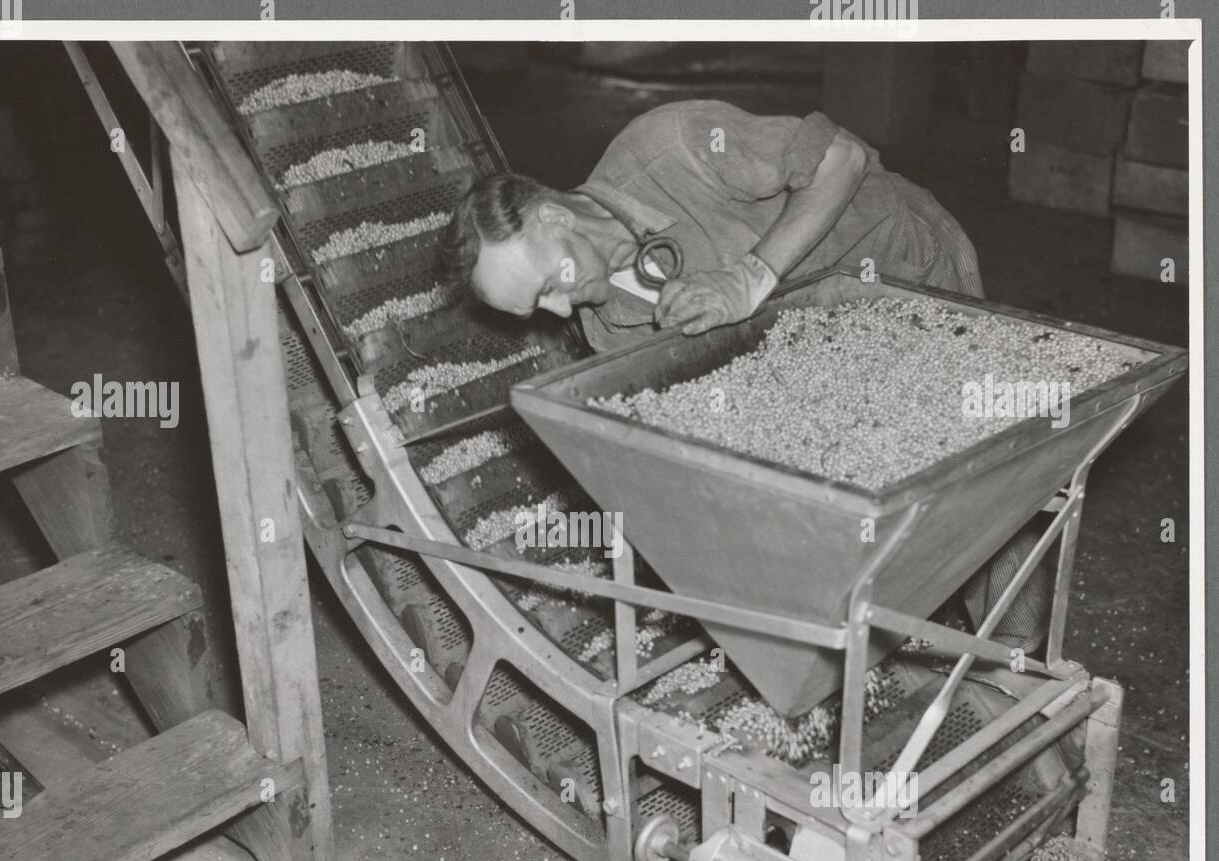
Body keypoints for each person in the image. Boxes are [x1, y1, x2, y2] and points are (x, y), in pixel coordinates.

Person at [439, 100, 1050, 654]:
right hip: (824, 350)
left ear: (551, 216)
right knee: (872, 491)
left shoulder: (671, 146)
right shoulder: (611, 327)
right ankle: (900, 641)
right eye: (537, 310)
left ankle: (1016, 658)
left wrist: (751, 276)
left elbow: (843, 156)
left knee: (975, 477)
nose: (561, 312)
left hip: (901, 268)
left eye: (550, 285)